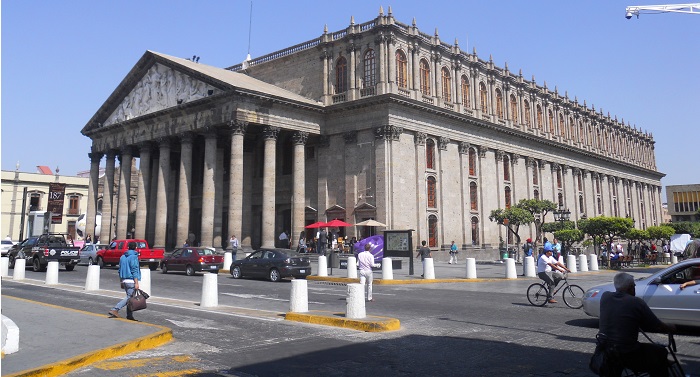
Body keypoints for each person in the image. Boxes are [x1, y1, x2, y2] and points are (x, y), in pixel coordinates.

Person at [599, 272, 675, 377]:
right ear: (631, 288)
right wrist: (671, 327)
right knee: (661, 352)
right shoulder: (636, 302)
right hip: (627, 353)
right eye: (634, 286)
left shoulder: (605, 297)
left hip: (605, 350)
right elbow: (657, 325)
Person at [109, 241, 141, 321]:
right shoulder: (134, 257)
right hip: (130, 280)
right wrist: (136, 282)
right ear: (136, 248)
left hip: (124, 280)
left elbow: (119, 270)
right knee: (129, 298)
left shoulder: (122, 257)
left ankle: (129, 315)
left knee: (130, 298)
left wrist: (121, 281)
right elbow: (134, 270)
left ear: (128, 247)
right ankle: (115, 309)